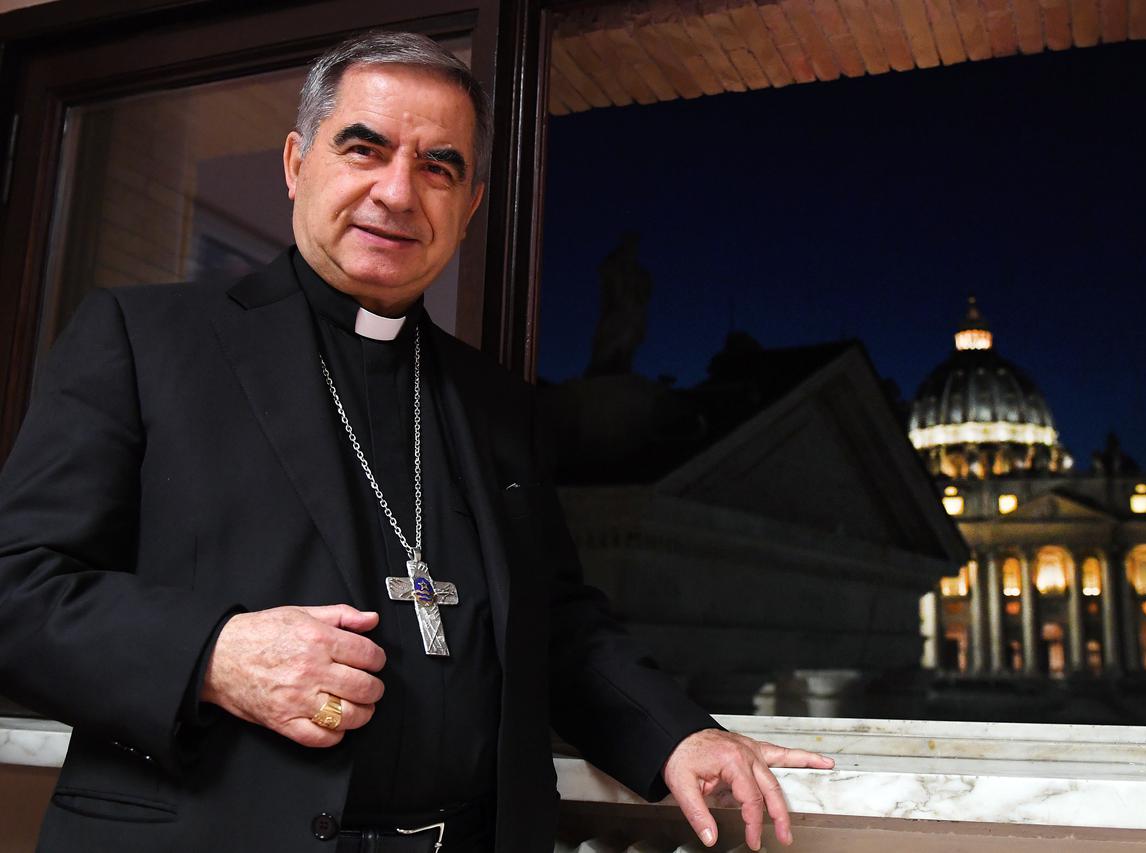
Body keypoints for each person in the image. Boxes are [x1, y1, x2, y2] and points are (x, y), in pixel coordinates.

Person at [0, 31, 832, 853]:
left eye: (439, 166)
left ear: (468, 207)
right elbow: (14, 588)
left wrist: (677, 736)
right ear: (297, 164)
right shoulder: (145, 340)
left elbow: (558, 624)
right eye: (365, 149)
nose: (398, 192)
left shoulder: (502, 405)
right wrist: (212, 655)